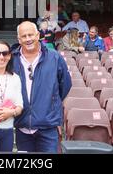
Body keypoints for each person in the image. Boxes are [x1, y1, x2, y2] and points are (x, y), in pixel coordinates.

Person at [12, 21, 72, 152]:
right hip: (22, 126)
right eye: (24, 36)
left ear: (38, 35)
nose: (28, 39)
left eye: (30, 35)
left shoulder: (54, 57)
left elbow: (65, 85)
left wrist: (50, 102)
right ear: (18, 39)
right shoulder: (12, 59)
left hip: (48, 127)